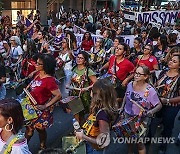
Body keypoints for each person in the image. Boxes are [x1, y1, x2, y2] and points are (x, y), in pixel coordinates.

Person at [120, 65, 162, 154]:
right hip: (127, 116)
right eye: (136, 73)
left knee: (139, 142)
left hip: (141, 119)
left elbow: (159, 105)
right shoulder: (130, 84)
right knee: (129, 138)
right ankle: (130, 152)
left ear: (146, 76)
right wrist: (122, 107)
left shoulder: (150, 90)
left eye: (139, 74)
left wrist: (151, 111)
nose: (136, 75)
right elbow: (126, 96)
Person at [25, 54, 62, 150]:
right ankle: (22, 148)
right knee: (29, 129)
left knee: (40, 129)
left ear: (45, 66)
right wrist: (33, 72)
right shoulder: (38, 73)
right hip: (30, 108)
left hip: (41, 110)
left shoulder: (49, 81)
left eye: (38, 64)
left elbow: (58, 95)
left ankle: (42, 146)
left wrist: (46, 106)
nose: (36, 65)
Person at [76, 79, 118, 154]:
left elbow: (103, 141)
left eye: (92, 90)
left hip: (95, 149)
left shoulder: (102, 115)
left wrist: (83, 136)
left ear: (97, 95)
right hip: (92, 144)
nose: (90, 91)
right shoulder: (100, 106)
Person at [155, 54, 180, 153]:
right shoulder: (163, 72)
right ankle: (148, 138)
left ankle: (163, 145)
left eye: (174, 61)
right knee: (153, 122)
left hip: (171, 106)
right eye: (171, 60)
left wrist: (168, 101)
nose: (170, 62)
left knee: (168, 125)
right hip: (157, 104)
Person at [66, 51, 97, 125]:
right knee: (75, 113)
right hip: (74, 94)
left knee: (82, 114)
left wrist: (87, 88)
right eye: (78, 57)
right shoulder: (74, 68)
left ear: (85, 61)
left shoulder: (88, 71)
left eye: (81, 58)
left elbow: (96, 82)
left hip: (84, 96)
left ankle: (82, 130)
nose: (78, 59)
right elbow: (71, 79)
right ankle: (77, 130)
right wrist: (68, 84)